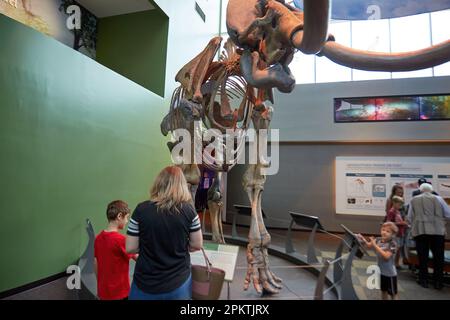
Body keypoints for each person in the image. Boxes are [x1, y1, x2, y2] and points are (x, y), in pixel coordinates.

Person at [126, 166, 203, 300]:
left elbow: (131, 247)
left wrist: (148, 246)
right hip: (179, 283)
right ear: (182, 185)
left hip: (144, 283)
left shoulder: (140, 209)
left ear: (158, 183)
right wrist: (180, 246)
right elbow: (197, 245)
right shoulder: (189, 211)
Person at [407, 183, 450, 289]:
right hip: (438, 232)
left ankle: (423, 280)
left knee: (423, 257)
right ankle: (438, 282)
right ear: (431, 190)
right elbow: (448, 214)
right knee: (438, 257)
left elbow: (409, 217)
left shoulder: (414, 200)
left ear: (420, 190)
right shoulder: (439, 199)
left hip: (421, 231)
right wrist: (441, 222)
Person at [94, 200, 138, 300]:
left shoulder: (98, 238)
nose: (127, 221)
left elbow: (96, 262)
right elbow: (138, 258)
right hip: (120, 293)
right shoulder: (121, 240)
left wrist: (100, 286)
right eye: (126, 217)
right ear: (119, 216)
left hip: (103, 292)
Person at [357, 222, 399, 300]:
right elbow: (369, 245)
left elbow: (386, 256)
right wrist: (362, 239)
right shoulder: (379, 239)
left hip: (390, 274)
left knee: (393, 294)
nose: (384, 232)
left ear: (393, 234)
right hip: (381, 272)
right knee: (384, 291)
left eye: (388, 231)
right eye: (383, 230)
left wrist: (375, 245)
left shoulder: (393, 244)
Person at [386, 196, 409, 268]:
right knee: (394, 249)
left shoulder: (398, 211)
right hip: (395, 233)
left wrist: (405, 224)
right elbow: (389, 222)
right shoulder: (391, 211)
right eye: (399, 204)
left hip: (400, 232)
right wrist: (401, 223)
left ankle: (396, 263)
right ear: (394, 203)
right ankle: (390, 263)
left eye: (401, 205)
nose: (400, 206)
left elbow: (400, 221)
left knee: (398, 249)